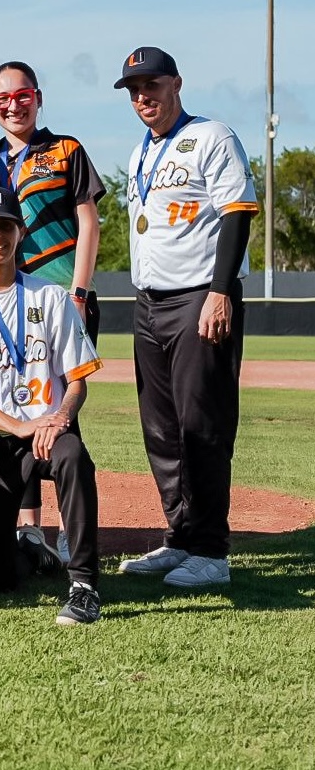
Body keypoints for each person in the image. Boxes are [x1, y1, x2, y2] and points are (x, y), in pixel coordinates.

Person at [111, 46, 257, 589]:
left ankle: (211, 551)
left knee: (203, 425)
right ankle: (180, 538)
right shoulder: (140, 152)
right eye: (133, 90)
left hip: (199, 296)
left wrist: (220, 292)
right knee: (162, 429)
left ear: (176, 83)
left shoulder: (212, 136)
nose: (142, 96)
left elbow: (237, 213)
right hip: (149, 302)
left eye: (150, 85)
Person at [0, 187, 102, 625]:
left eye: (5, 226)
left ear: (20, 232)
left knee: (74, 457)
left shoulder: (51, 296)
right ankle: (31, 550)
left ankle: (84, 585)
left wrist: (60, 417)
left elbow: (77, 379)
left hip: (47, 433)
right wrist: (17, 425)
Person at [0, 61, 105, 570]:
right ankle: (28, 527)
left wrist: (79, 291)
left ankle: (72, 532)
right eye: (2, 98)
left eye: (22, 95)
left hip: (62, 299)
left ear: (38, 97)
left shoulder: (65, 149)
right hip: (7, 304)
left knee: (65, 407)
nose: (14, 105)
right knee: (18, 399)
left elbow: (88, 220)